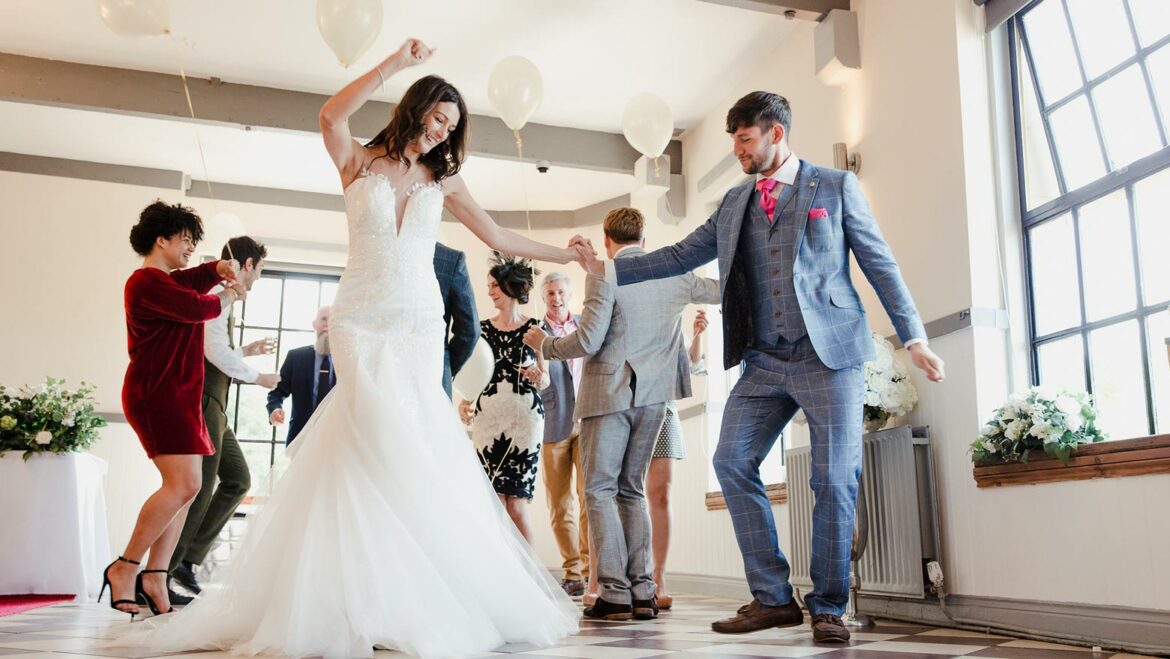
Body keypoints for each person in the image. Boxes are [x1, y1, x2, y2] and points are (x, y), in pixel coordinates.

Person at [147, 39, 578, 658]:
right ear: (415, 107)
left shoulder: (443, 177)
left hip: (418, 321)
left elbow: (496, 232)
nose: (438, 132)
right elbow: (329, 116)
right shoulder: (358, 161)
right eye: (435, 118)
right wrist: (394, 63)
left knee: (409, 435)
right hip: (361, 316)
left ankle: (405, 591)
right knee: (374, 425)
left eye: (450, 127)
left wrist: (563, 254)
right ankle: (353, 591)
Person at [570, 91, 945, 643]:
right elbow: (679, 256)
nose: (739, 151)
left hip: (830, 357)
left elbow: (878, 261)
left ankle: (828, 607)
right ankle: (773, 597)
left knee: (834, 479)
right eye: (735, 141)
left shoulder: (835, 188)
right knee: (731, 459)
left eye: (745, 139)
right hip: (765, 360)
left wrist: (914, 336)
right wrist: (605, 268)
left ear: (776, 133)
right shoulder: (734, 202)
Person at [527, 207, 720, 622]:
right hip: (655, 399)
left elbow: (588, 340)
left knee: (599, 491)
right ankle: (644, 591)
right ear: (644, 240)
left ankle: (614, 592)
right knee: (631, 490)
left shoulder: (607, 274)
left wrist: (545, 344)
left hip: (608, 396)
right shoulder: (675, 275)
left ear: (608, 240)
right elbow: (722, 290)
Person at [105, 201, 243, 619]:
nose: (189, 248)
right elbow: (196, 307)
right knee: (181, 486)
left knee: (191, 488)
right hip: (157, 394)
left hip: (180, 396)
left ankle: (155, 577)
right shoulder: (145, 282)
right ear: (161, 239)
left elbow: (194, 279)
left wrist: (217, 269)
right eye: (185, 240)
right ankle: (125, 566)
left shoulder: (169, 279)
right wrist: (228, 294)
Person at [169, 236, 279, 600]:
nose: (258, 278)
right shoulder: (219, 290)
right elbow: (211, 348)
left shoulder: (224, 292)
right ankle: (165, 572)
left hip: (216, 402)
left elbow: (216, 345)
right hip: (203, 399)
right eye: (259, 270)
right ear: (247, 264)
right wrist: (258, 377)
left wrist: (246, 350)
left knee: (237, 479)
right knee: (199, 487)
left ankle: (187, 559)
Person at [463, 254, 548, 543]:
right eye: (488, 286)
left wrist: (538, 375)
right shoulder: (482, 330)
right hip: (487, 423)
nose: (489, 292)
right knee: (494, 504)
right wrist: (466, 401)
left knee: (516, 505)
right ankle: (501, 575)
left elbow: (546, 379)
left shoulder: (535, 328)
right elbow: (472, 374)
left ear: (509, 287)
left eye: (493, 285)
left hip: (524, 422)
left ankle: (529, 578)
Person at [648, 309, 708, 610]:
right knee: (624, 495)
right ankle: (628, 576)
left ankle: (659, 576)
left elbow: (691, 364)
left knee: (660, 494)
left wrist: (696, 335)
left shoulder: (669, 321)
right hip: (627, 408)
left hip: (663, 409)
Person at [536, 272, 588, 597]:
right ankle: (572, 573)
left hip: (587, 420)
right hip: (553, 424)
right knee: (559, 504)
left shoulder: (586, 325)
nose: (556, 298)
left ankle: (589, 569)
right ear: (544, 298)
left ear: (570, 294)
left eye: (561, 292)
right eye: (551, 293)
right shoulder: (534, 334)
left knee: (589, 499)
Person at [266, 306, 333, 445]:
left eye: (333, 320)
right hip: (299, 437)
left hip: (337, 439)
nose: (327, 324)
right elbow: (277, 392)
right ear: (314, 325)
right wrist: (275, 409)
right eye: (323, 319)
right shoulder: (296, 357)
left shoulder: (348, 361)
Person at [435, 242, 479, 399]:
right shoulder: (449, 259)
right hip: (434, 373)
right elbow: (470, 331)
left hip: (379, 371)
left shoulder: (372, 247)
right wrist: (445, 364)